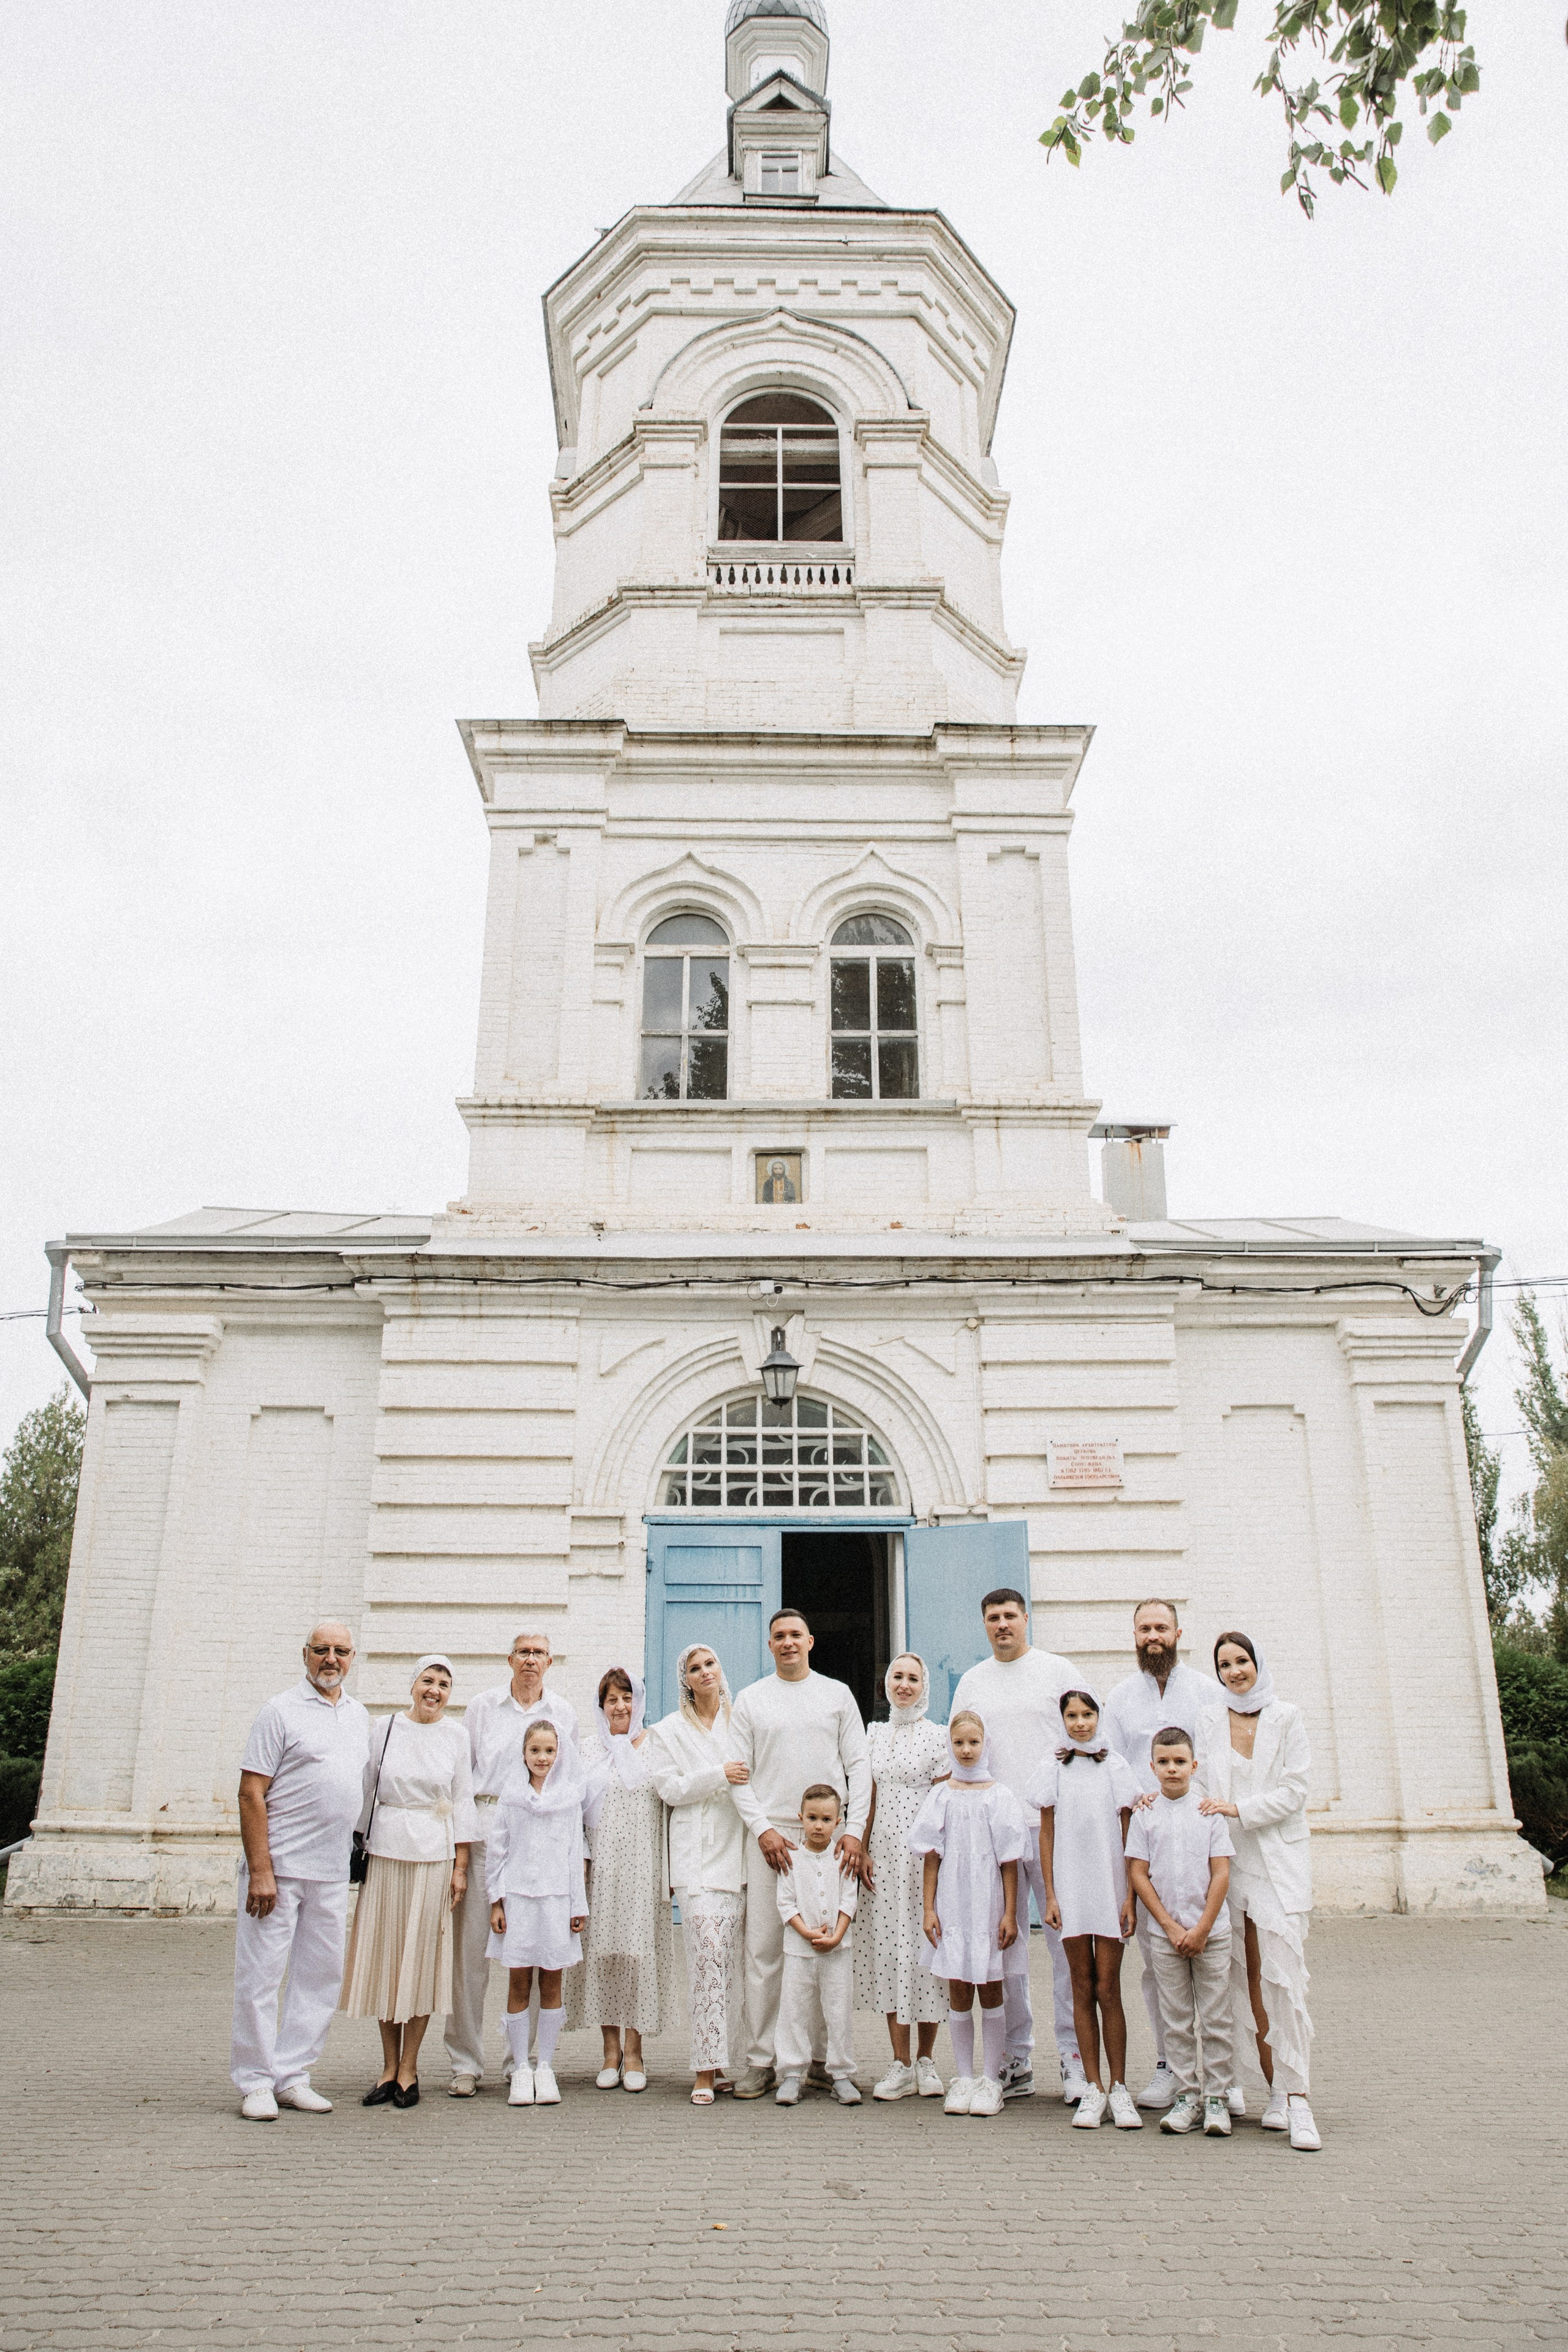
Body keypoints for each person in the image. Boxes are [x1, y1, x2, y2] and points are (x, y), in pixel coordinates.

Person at [727, 1608, 872, 2098]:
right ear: (770, 1645)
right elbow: (738, 1776)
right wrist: (763, 1830)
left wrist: (853, 1832)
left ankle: (822, 2060)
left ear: (810, 1641)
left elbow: (859, 1765)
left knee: (825, 1947)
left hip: (828, 1841)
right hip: (772, 1840)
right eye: (779, 1637)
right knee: (765, 1951)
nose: (788, 1643)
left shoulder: (836, 1695)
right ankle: (762, 2060)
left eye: (795, 1635)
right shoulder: (750, 1700)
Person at [231, 1621, 371, 2120]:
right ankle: (254, 2081)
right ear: (305, 1655)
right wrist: (261, 1869)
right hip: (280, 1871)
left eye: (341, 1651)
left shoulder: (358, 1716)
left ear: (353, 1658)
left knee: (320, 1977)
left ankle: (293, 2075)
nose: (331, 1659)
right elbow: (251, 1793)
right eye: (321, 1651)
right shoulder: (279, 1711)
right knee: (262, 1976)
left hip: (331, 1872)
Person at [949, 1586, 1083, 2100]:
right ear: (984, 1624)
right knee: (1005, 1948)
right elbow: (959, 1752)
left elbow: (1086, 1738)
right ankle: (1015, 2058)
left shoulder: (1058, 1671)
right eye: (993, 1617)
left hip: (1050, 1828)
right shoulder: (973, 1682)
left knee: (1064, 1946)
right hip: (993, 1835)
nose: (1002, 1624)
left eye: (1010, 1615)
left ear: (1026, 1618)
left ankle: (1072, 2058)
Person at [1196, 1632, 1321, 2151]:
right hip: (1229, 1863)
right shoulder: (1208, 1720)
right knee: (1238, 1975)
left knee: (1282, 1977)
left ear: (1256, 1662)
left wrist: (1239, 1810)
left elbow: (1296, 1790)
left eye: (1241, 1661)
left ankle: (1297, 2097)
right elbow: (1202, 1787)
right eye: (1224, 1664)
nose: (1234, 1672)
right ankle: (1260, 2084)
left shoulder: (1287, 1717)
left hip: (1277, 1862)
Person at [1102, 1598, 1227, 2112]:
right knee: (1158, 1966)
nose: (1153, 1636)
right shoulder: (1120, 1697)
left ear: (1178, 1633)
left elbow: (1215, 1758)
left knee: (1217, 1967)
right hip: (1142, 1828)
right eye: (1144, 1629)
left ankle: (1222, 2081)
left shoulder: (1203, 1690)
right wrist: (1141, 1795)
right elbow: (1111, 1762)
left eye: (1162, 1628)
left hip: (1200, 1831)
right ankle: (1168, 2069)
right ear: (1134, 1635)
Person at [445, 1629, 582, 2095]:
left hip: (540, 1846)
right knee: (472, 1957)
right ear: (510, 1660)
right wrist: (461, 1855)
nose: (530, 1660)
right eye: (523, 1652)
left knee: (531, 1958)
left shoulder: (562, 1713)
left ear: (550, 1661)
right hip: (488, 1833)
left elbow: (574, 1784)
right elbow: (462, 1782)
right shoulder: (483, 1707)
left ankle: (519, 2062)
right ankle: (465, 2062)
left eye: (539, 1653)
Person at [339, 1654, 478, 2109]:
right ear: (413, 1685)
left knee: (419, 1963)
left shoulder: (457, 1736)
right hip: (385, 1853)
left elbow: (462, 1801)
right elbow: (364, 1789)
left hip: (433, 1856)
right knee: (386, 1959)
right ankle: (386, 2066)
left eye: (443, 1684)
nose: (434, 1690)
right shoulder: (384, 1729)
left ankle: (410, 2069)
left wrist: (460, 1866)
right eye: (427, 1680)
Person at [908, 1711, 1029, 2119]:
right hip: (953, 1904)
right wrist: (928, 1909)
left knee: (991, 1987)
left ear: (985, 1745)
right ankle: (962, 2077)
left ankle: (991, 2079)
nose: (966, 1750)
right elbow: (931, 1857)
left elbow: (1010, 1861)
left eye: (973, 1742)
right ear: (950, 1746)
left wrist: (1011, 1913)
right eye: (959, 1743)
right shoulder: (941, 1796)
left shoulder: (999, 1796)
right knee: (958, 1988)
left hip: (989, 1904)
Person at [1028, 1686, 1140, 2132]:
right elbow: (1046, 1835)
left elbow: (1131, 1833)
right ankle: (1092, 2087)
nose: (1080, 1723)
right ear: (1063, 1720)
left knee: (1108, 1987)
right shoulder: (1053, 1767)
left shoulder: (1115, 1765)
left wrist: (1130, 1896)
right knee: (1080, 1985)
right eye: (1072, 1715)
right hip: (1071, 1891)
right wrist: (1050, 1895)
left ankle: (1119, 2087)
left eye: (1087, 1714)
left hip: (1110, 1888)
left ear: (1099, 1717)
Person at [644, 1643, 750, 2105]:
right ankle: (704, 2069)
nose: (705, 1672)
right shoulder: (667, 1731)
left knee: (732, 1968)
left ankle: (727, 2061)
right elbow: (670, 1788)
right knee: (705, 1959)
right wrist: (720, 1774)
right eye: (695, 1668)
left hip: (740, 1856)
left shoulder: (742, 1722)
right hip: (695, 1862)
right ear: (684, 1678)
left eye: (711, 1664)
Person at [485, 1719, 605, 2108]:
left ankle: (546, 2067)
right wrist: (496, 1901)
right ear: (523, 1753)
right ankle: (521, 2067)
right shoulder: (511, 1796)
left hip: (556, 1902)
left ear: (559, 1754)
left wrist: (577, 1905)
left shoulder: (569, 1798)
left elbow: (575, 1853)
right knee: (519, 1983)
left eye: (549, 1751)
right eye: (535, 1751)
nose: (542, 1758)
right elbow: (498, 1850)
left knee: (552, 1984)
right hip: (518, 1900)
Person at [1125, 1725, 1236, 2139]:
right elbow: (1138, 1873)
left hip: (1211, 1933)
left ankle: (1218, 2099)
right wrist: (1170, 1927)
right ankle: (1187, 2095)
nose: (1172, 1770)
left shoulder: (1208, 1812)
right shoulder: (1146, 1814)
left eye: (1180, 1762)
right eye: (1164, 1763)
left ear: (1194, 1765)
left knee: (1216, 2018)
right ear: (1152, 1766)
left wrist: (1203, 1927)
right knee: (1176, 2020)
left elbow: (1221, 1871)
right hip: (1166, 1936)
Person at [565, 1667, 674, 2089]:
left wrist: (670, 1869)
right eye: (612, 1699)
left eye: (627, 1698)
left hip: (643, 1868)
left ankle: (635, 2053)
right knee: (605, 1957)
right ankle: (609, 2052)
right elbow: (574, 1813)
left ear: (639, 1702)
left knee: (637, 1957)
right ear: (602, 1706)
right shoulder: (589, 1750)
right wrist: (582, 1862)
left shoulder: (657, 1747)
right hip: (601, 1869)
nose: (621, 1706)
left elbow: (670, 1808)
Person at [856, 1653, 950, 2100]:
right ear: (886, 1683)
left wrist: (938, 1859)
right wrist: (863, 1845)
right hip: (883, 1858)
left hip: (923, 1860)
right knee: (891, 1952)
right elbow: (867, 1795)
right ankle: (899, 2063)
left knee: (924, 1954)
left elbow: (942, 1801)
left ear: (924, 1686)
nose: (905, 1685)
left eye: (914, 1678)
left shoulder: (938, 1737)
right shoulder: (873, 1735)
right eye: (897, 1676)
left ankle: (928, 2061)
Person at [773, 1784, 861, 2106]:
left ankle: (840, 2074)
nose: (819, 1826)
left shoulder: (843, 1857)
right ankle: (793, 2073)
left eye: (826, 1819)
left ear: (838, 1821)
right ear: (801, 1819)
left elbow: (849, 1901)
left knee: (838, 2011)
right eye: (812, 1818)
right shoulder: (792, 1858)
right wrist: (807, 1933)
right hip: (799, 1950)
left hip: (838, 1950)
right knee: (794, 2010)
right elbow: (785, 1904)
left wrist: (836, 1936)